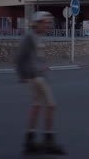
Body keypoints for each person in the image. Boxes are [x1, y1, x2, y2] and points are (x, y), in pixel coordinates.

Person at [15, 11, 66, 155]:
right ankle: (49, 141)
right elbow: (19, 58)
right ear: (37, 23)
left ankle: (29, 141)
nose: (48, 26)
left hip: (38, 77)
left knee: (36, 107)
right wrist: (23, 75)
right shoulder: (30, 37)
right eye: (46, 23)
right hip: (35, 78)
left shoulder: (38, 37)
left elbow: (37, 58)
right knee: (51, 105)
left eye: (49, 23)